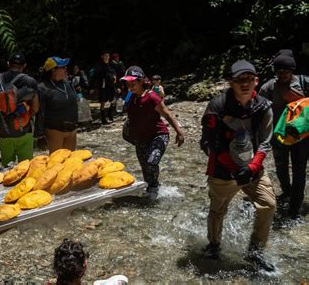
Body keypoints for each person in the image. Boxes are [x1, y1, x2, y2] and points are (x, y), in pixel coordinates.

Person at [200, 60, 276, 272]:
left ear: (256, 81)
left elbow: (265, 142)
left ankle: (254, 252)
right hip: (223, 170)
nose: (245, 84)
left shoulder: (264, 107)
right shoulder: (217, 106)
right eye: (239, 80)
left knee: (268, 204)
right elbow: (209, 143)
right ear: (231, 83)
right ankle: (214, 245)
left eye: (249, 79)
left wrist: (252, 167)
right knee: (217, 211)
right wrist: (234, 169)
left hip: (253, 167)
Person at [121, 66, 185, 199]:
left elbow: (167, 114)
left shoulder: (152, 98)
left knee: (152, 161)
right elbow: (131, 119)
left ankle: (155, 186)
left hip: (159, 135)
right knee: (145, 167)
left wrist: (179, 132)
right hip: (141, 139)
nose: (130, 86)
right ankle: (150, 189)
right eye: (128, 83)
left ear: (141, 82)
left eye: (133, 83)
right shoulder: (131, 99)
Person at [259, 51, 308, 220]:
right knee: (281, 167)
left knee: (299, 171)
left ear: (292, 70)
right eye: (279, 72)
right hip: (278, 136)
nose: (282, 75)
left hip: (301, 137)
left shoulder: (304, 82)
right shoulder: (268, 87)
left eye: (286, 71)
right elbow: (258, 110)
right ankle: (287, 192)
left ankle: (294, 209)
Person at [0, 51, 40, 167]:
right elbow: (35, 108)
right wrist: (28, 116)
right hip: (25, 130)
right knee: (26, 168)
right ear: (24, 66)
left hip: (3, 131)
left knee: (7, 170)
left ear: (8, 63)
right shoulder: (30, 81)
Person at [37, 57, 78, 153]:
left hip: (72, 130)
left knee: (70, 162)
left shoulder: (67, 83)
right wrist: (40, 134)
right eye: (62, 67)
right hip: (55, 131)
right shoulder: (42, 88)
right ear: (53, 70)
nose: (66, 69)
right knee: (56, 163)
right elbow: (40, 112)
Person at [94, 50, 117, 124]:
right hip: (103, 86)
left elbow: (114, 73)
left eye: (108, 56)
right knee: (103, 102)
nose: (107, 57)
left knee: (113, 100)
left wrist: (115, 78)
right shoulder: (99, 65)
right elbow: (97, 75)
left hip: (111, 85)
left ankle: (109, 114)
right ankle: (103, 118)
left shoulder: (111, 65)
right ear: (102, 56)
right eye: (105, 55)